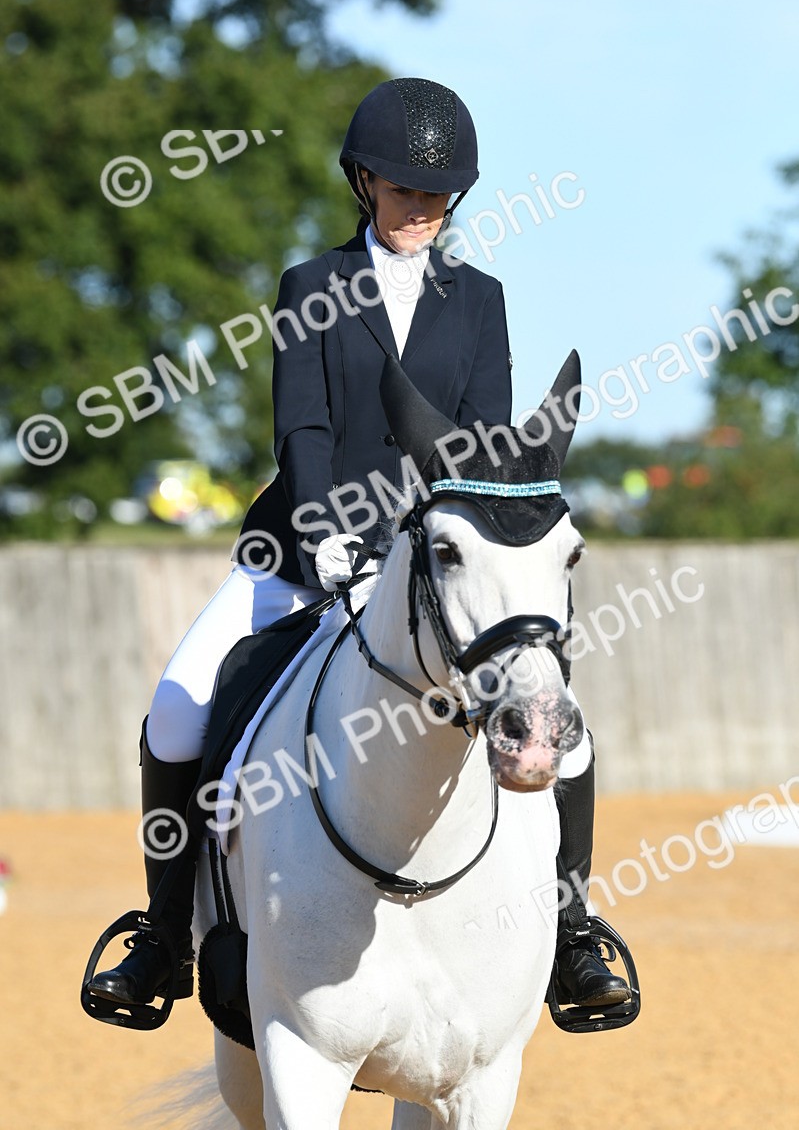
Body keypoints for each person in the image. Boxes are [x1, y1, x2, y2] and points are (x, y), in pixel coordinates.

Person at [88, 76, 629, 1016]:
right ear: (363, 183)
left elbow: (472, 450)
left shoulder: (480, 301)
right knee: (178, 710)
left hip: (428, 570)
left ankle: (570, 931)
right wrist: (325, 535)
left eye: (435, 195)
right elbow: (299, 432)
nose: (419, 209)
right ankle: (164, 937)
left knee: (560, 734)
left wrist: (420, 553)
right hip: (297, 561)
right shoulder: (312, 287)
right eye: (401, 189)